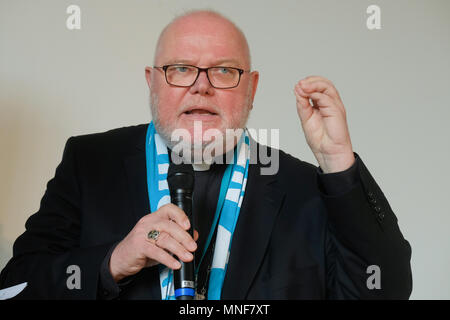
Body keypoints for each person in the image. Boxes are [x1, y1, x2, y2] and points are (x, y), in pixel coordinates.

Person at [0, 10, 412, 299]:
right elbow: (15, 288)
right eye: (180, 68)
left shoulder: (305, 184)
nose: (201, 86)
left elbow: (384, 292)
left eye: (223, 71)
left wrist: (337, 160)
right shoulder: (90, 162)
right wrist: (112, 262)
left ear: (251, 89)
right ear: (152, 82)